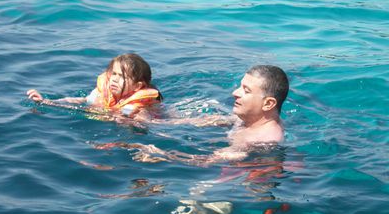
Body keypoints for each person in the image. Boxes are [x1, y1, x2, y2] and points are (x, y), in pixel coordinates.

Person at [96, 65, 289, 165]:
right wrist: (153, 120)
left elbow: (206, 162)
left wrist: (161, 154)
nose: (235, 93)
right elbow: (204, 121)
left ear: (268, 103)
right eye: (239, 86)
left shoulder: (262, 140)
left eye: (246, 90)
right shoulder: (249, 118)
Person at [27, 53, 162, 120]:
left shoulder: (139, 108)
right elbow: (78, 101)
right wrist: (47, 101)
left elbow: (151, 125)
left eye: (122, 77)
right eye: (113, 74)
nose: (114, 79)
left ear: (138, 86)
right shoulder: (101, 93)